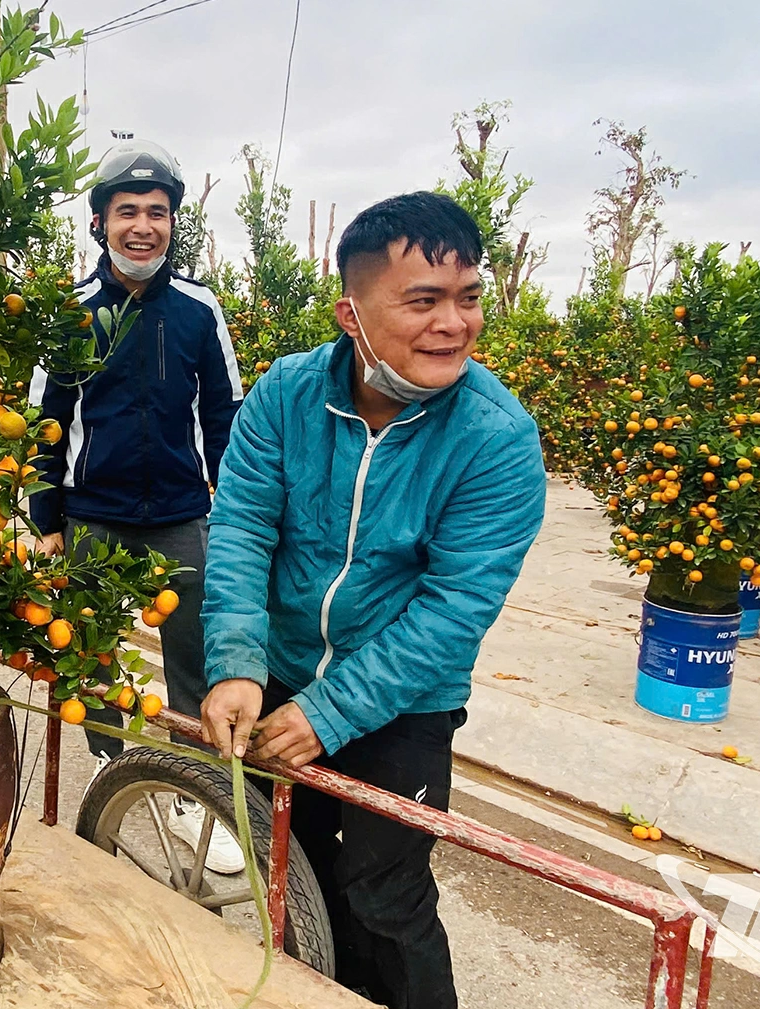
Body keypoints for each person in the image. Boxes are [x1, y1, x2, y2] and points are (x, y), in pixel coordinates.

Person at [198, 192, 546, 1008]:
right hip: (282, 671)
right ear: (350, 314)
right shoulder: (285, 397)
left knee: (385, 897)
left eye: (468, 298)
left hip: (404, 705)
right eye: (423, 301)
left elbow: (452, 610)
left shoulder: (496, 439)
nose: (452, 324)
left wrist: (333, 711)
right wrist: (238, 665)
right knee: (296, 872)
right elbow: (244, 529)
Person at [29, 139, 245, 871]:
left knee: (195, 655)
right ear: (99, 222)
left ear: (173, 223)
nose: (143, 225)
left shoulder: (198, 309)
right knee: (88, 652)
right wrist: (45, 519)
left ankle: (189, 789)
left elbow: (225, 419)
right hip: (95, 515)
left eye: (158, 212)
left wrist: (236, 516)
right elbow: (45, 422)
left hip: (183, 514)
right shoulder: (70, 312)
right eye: (128, 212)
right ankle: (108, 763)